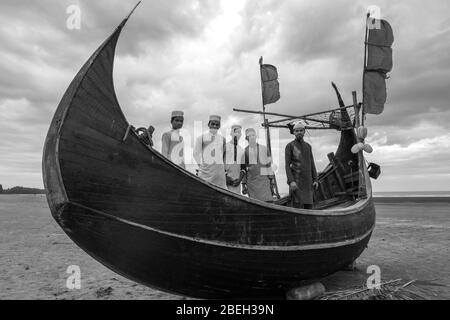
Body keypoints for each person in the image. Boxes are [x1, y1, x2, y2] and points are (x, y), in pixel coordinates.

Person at [285, 122, 319, 209]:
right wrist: (291, 181)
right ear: (294, 132)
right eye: (297, 131)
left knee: (309, 207)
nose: (299, 132)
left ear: (304, 132)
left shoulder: (308, 146)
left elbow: (312, 163)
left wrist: (315, 179)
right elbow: (287, 165)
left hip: (308, 182)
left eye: (301, 130)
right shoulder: (290, 146)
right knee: (297, 207)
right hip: (296, 182)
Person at [193, 115, 227, 189]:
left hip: (219, 173)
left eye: (217, 124)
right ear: (208, 124)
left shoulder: (223, 139)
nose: (214, 126)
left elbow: (224, 154)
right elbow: (196, 154)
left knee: (221, 191)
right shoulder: (201, 138)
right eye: (213, 124)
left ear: (219, 126)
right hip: (205, 172)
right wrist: (202, 166)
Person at [241, 128, 275, 202]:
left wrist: (272, 182)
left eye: (253, 135)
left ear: (256, 136)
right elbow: (243, 169)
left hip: (264, 181)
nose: (252, 137)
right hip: (252, 182)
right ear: (246, 138)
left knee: (268, 202)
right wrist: (243, 185)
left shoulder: (264, 148)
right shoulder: (245, 151)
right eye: (249, 136)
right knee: (255, 204)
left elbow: (269, 166)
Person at [224, 125, 245, 194]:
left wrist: (239, 180)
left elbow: (243, 168)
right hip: (224, 181)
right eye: (235, 132)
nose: (237, 134)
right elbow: (218, 164)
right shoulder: (224, 147)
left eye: (239, 132)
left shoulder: (242, 150)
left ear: (241, 135)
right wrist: (225, 177)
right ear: (231, 133)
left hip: (236, 183)